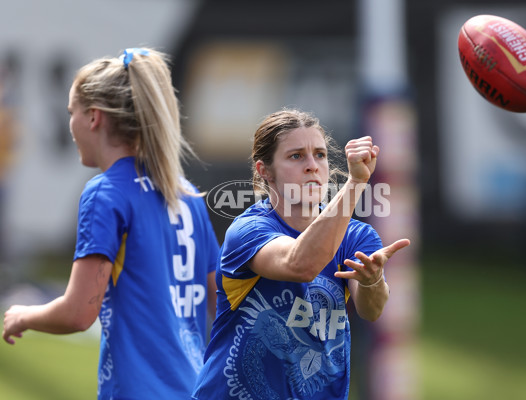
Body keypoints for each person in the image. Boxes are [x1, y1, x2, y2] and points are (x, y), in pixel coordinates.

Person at [2, 48, 220, 400]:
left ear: (93, 118)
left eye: (71, 113)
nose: (70, 125)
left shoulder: (106, 194)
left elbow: (79, 312)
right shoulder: (186, 194)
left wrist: (25, 315)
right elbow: (222, 301)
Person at [192, 109, 410, 399]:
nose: (312, 166)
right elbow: (300, 263)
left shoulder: (356, 235)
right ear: (264, 171)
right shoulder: (248, 231)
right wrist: (356, 183)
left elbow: (371, 310)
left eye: (319, 155)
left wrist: (372, 281)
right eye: (296, 156)